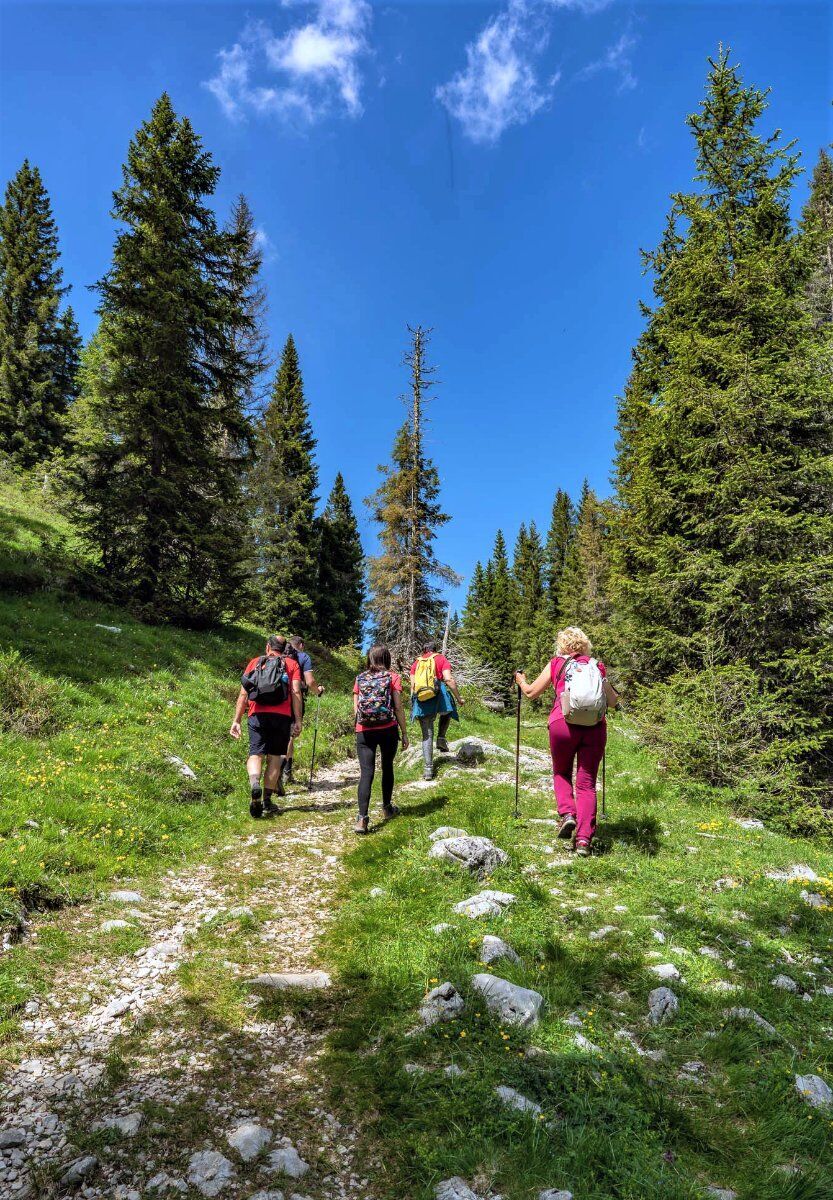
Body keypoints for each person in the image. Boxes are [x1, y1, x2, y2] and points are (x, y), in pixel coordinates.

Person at [515, 626, 618, 857]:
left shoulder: (557, 663)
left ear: (562, 645)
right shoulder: (596, 666)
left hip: (562, 724)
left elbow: (531, 693)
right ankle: (583, 840)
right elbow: (612, 702)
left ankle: (567, 814)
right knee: (587, 783)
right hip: (594, 727)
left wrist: (521, 681)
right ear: (585, 645)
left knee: (561, 771)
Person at [230, 635, 303, 818]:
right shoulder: (291, 665)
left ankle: (255, 784)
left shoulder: (255, 662)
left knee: (256, 753)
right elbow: (295, 692)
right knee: (275, 757)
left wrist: (236, 720)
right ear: (284, 648)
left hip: (257, 715)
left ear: (268, 647)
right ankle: (267, 800)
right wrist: (298, 720)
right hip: (282, 717)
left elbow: (243, 694)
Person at [353, 644, 409, 834]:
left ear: (370, 658)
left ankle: (362, 819)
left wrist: (360, 727)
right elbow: (399, 707)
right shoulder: (393, 677)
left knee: (366, 773)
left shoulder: (360, 678)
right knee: (387, 767)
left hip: (364, 730)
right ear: (387, 659)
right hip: (388, 729)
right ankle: (386, 808)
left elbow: (356, 709)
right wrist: (404, 732)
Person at [409, 640, 462, 781]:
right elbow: (448, 679)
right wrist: (459, 698)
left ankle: (428, 770)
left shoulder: (417, 663)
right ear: (435, 649)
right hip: (438, 693)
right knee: (448, 709)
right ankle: (441, 738)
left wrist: (413, 702)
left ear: (424, 650)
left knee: (426, 734)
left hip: (421, 698)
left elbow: (413, 685)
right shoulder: (440, 658)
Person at [282, 634, 324, 783]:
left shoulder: (279, 654)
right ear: (301, 645)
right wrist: (318, 690)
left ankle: (280, 773)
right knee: (290, 736)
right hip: (294, 700)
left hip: (275, 699)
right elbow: (310, 681)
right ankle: (284, 774)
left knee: (280, 736)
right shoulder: (303, 657)